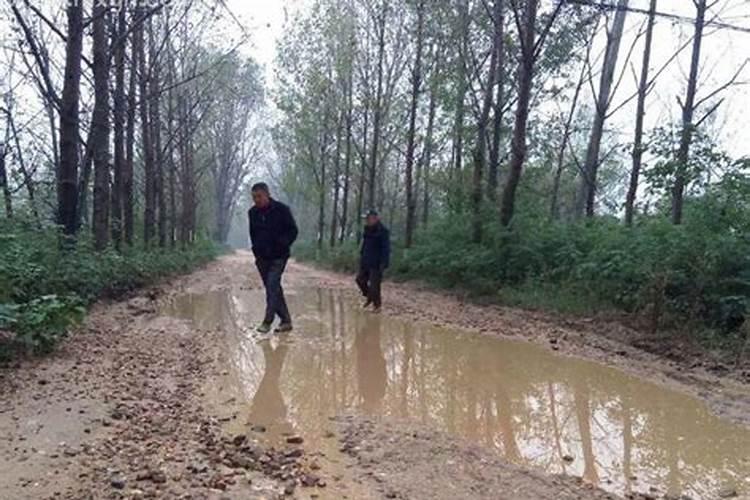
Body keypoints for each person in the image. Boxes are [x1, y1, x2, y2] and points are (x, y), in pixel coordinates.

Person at [248, 183, 299, 333]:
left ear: (267, 194)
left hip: (279, 256)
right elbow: (253, 234)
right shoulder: (252, 213)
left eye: (259, 196)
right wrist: (256, 251)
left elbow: (293, 230)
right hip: (262, 258)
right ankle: (286, 321)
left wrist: (283, 243)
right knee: (274, 288)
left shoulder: (282, 210)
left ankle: (267, 321)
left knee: (272, 286)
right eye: (254, 197)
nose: (256, 200)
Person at [356, 210, 391, 313]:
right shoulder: (367, 230)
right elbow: (364, 245)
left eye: (368, 218)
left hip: (377, 263)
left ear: (375, 218)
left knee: (375, 286)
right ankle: (369, 296)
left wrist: (384, 263)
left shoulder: (383, 231)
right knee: (359, 280)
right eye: (365, 219)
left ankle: (377, 306)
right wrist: (361, 256)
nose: (366, 221)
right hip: (365, 261)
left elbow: (386, 248)